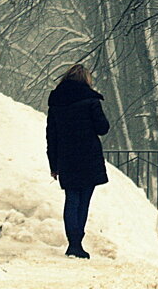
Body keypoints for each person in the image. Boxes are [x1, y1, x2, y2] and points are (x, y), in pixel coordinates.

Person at [46, 63, 110, 258]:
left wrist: (53, 164)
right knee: (84, 201)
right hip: (88, 155)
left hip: (66, 156)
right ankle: (77, 243)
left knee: (71, 199)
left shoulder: (56, 102)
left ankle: (73, 243)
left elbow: (51, 135)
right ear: (86, 80)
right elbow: (103, 128)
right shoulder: (90, 100)